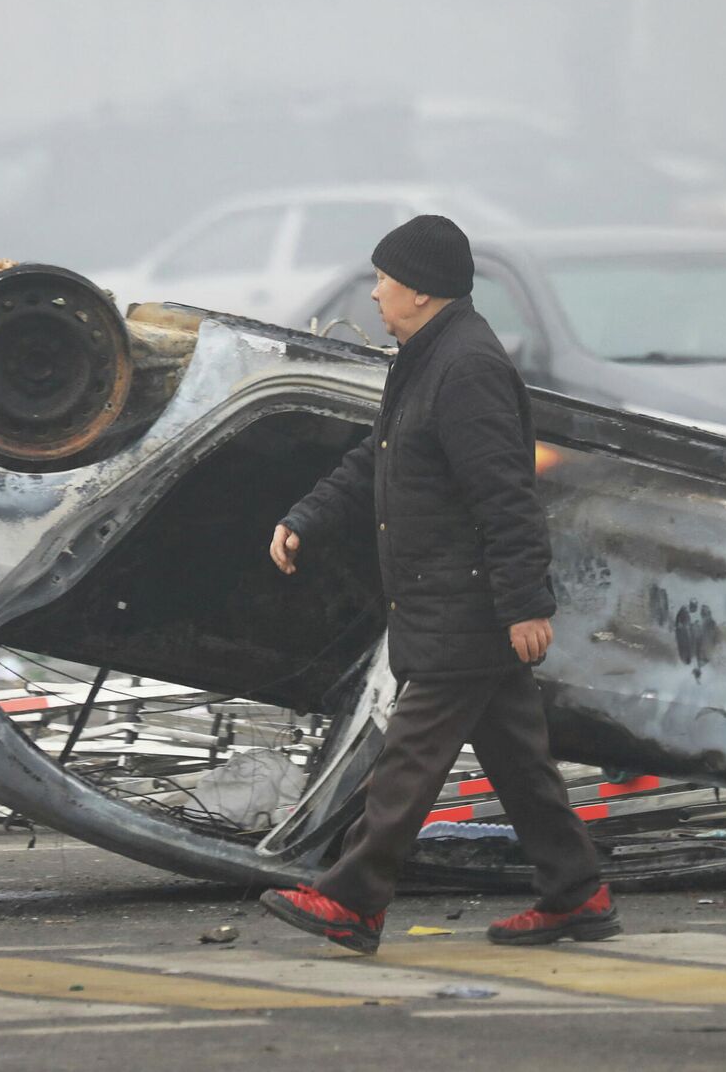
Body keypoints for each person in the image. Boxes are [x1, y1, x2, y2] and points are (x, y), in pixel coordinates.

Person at [259, 214, 617, 954]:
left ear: (420, 291)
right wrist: (307, 516)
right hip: (448, 598)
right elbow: (376, 459)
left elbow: (505, 494)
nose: (377, 294)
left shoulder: (466, 369)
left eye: (385, 280)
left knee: (408, 762)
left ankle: (353, 900)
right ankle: (578, 893)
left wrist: (525, 604)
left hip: (469, 604)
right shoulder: (425, 358)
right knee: (519, 763)